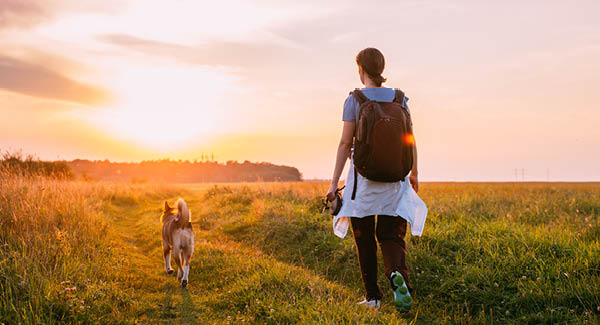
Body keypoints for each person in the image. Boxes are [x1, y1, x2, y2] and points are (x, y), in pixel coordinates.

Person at [326, 47, 425, 312]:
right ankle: (397, 274)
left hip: (364, 185)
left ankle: (373, 297)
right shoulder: (400, 99)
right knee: (392, 236)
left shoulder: (355, 100)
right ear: (381, 68)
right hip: (396, 182)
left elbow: (345, 143)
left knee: (365, 237)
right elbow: (410, 139)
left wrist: (334, 183)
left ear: (361, 70)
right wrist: (414, 173)